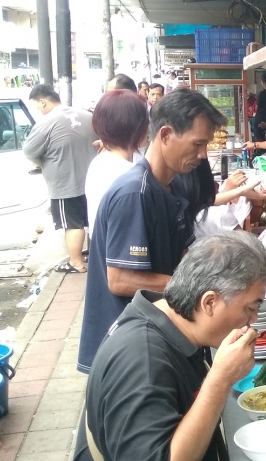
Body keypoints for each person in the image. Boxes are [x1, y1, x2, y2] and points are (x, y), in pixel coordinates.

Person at [68, 232, 266, 461]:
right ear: (209, 303)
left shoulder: (167, 320)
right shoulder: (143, 360)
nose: (254, 319)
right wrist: (220, 379)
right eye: (250, 308)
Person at [77, 88, 227, 374]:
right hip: (128, 346)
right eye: (197, 144)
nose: (202, 154)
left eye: (205, 145)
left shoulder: (174, 186)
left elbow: (182, 255)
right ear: (166, 134)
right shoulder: (134, 193)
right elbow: (120, 280)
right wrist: (197, 288)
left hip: (158, 330)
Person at [23, 84, 97, 273]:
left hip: (66, 181)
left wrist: (41, 162)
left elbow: (29, 151)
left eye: (37, 106)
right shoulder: (88, 117)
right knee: (91, 218)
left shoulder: (45, 123)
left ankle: (76, 262)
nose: (39, 110)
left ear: (42, 101)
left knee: (72, 223)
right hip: (92, 178)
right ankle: (94, 254)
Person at [85, 90, 150, 230]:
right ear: (135, 126)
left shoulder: (99, 162)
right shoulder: (132, 175)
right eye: (145, 121)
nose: (148, 127)